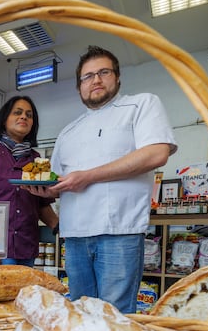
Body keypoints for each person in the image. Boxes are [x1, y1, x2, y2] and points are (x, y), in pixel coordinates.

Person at [31, 46, 177, 312]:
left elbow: (157, 153)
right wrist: (45, 191)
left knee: (116, 315)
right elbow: (58, 183)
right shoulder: (68, 131)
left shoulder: (141, 104)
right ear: (79, 87)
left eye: (103, 72)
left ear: (117, 78)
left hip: (119, 231)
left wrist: (88, 177)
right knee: (81, 313)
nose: (95, 80)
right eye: (87, 77)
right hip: (74, 235)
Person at [0, 96, 59, 266]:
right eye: (17, 112)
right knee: (1, 293)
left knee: (24, 293)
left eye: (29, 115)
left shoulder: (35, 158)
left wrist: (59, 227)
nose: (24, 117)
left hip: (26, 245)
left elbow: (42, 204)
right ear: (4, 120)